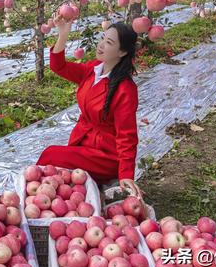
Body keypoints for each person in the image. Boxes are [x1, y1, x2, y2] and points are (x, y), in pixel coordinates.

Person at [36, 13, 144, 199]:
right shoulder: (94, 69)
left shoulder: (125, 89)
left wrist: (126, 175)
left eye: (109, 43)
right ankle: (48, 199)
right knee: (56, 165)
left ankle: (41, 198)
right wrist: (63, 34)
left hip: (105, 154)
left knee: (50, 155)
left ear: (122, 52)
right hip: (84, 141)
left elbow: (127, 136)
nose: (101, 45)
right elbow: (59, 66)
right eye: (103, 38)